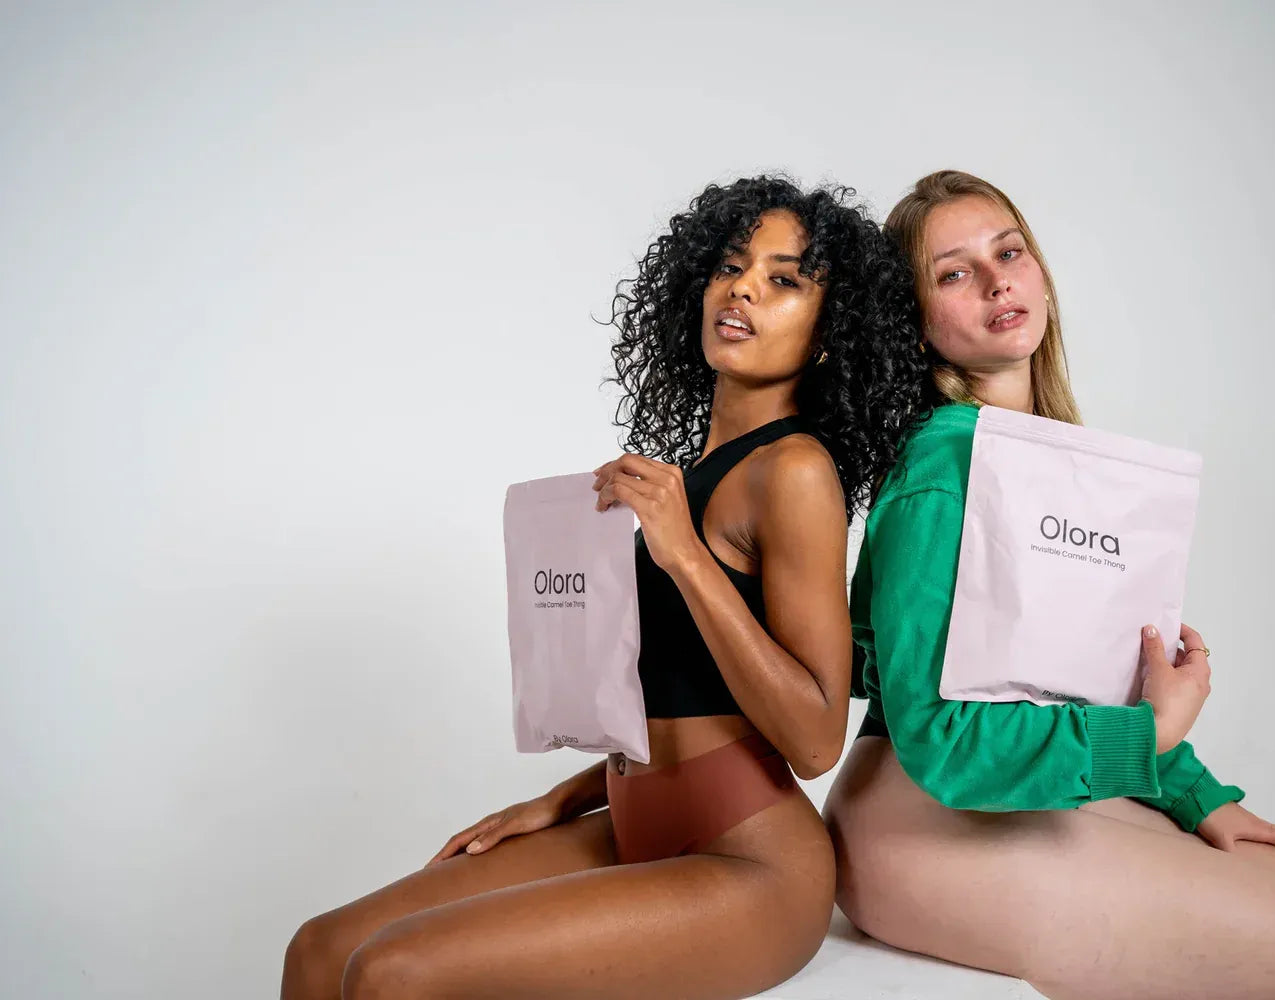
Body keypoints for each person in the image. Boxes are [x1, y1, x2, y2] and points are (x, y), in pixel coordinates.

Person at [279, 175, 925, 1000]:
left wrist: (686, 556)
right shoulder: (696, 473)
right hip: (629, 819)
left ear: (830, 334)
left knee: (389, 973)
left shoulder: (795, 471)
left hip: (748, 859)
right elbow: (683, 701)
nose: (743, 289)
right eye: (731, 266)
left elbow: (815, 738)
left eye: (784, 279)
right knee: (319, 950)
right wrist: (563, 797)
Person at [821, 169, 1275, 1000]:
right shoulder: (942, 471)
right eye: (954, 273)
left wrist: (1197, 796)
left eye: (1009, 252)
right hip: (916, 808)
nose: (997, 281)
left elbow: (1075, 681)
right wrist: (1145, 738)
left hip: (998, 781)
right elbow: (936, 734)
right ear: (915, 325)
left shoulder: (1054, 455)